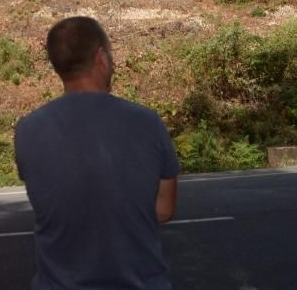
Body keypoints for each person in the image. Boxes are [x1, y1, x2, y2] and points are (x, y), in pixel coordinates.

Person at [14, 16, 180, 290]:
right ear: (101, 57)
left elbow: (48, 202)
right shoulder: (146, 122)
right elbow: (164, 209)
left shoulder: (28, 129)